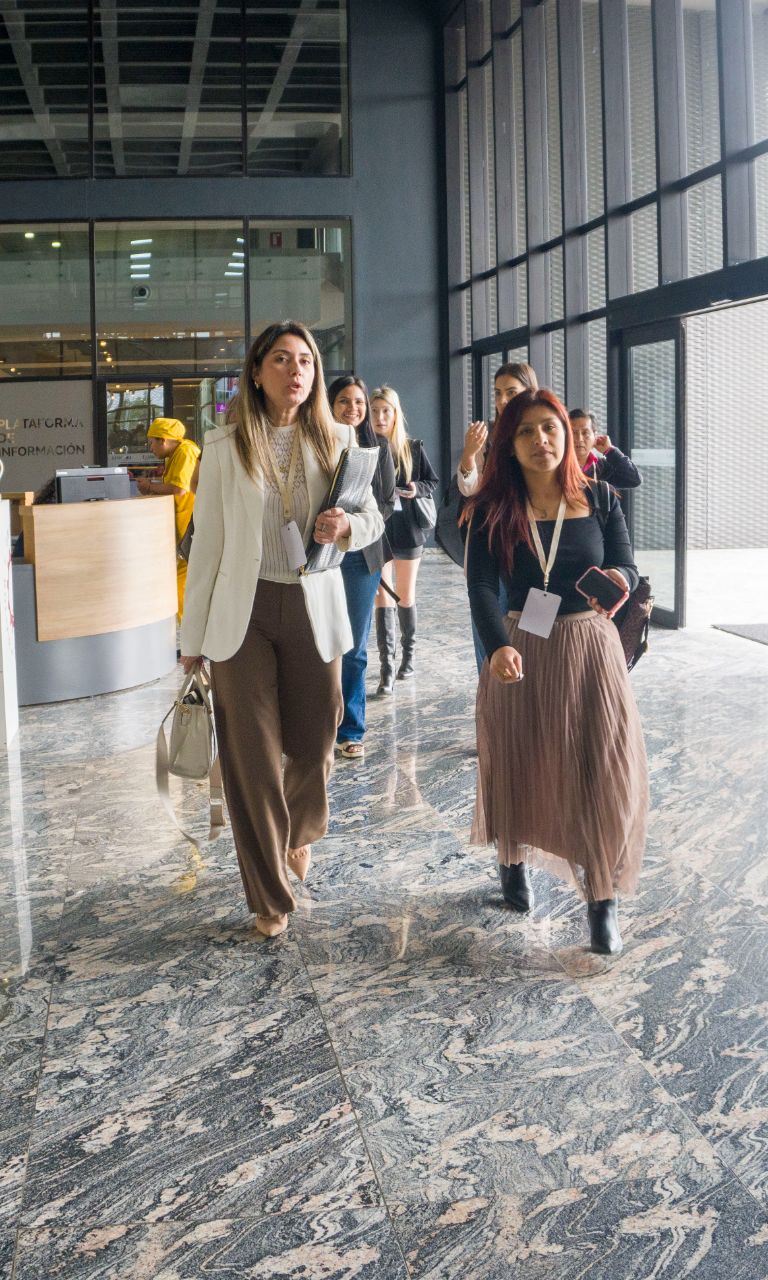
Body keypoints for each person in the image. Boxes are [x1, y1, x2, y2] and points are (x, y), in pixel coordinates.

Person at [180, 322, 383, 939]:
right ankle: (270, 895)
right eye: (281, 360)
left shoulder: (339, 439)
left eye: (305, 361)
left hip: (312, 603)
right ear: (257, 371)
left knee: (316, 739)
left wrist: (346, 529)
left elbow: (373, 518)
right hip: (241, 614)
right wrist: (192, 640)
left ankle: (299, 828)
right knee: (251, 756)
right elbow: (207, 546)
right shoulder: (224, 447)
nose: (296, 371)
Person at [465, 388, 648, 955]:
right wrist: (495, 647)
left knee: (602, 768)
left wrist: (619, 578)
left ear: (568, 436)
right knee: (521, 756)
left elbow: (627, 563)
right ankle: (512, 859)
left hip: (592, 647)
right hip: (524, 644)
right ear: (509, 445)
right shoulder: (493, 509)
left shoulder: (600, 496)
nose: (540, 439)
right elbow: (481, 585)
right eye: (526, 431)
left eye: (550, 427)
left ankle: (602, 900)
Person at [328, 375, 396, 758]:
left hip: (361, 556)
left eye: (358, 402)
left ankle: (350, 729)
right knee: (320, 643)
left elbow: (385, 503)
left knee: (353, 644)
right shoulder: (318, 443)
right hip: (321, 552)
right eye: (344, 401)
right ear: (330, 406)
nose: (352, 408)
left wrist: (351, 523)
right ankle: (319, 724)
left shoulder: (379, 447)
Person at [457, 362, 539, 673]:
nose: (503, 400)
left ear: (530, 392)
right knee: (490, 620)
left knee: (533, 635)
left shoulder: (543, 431)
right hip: (494, 541)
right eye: (498, 393)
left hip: (535, 547)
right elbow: (469, 487)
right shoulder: (489, 435)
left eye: (511, 392)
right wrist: (469, 454)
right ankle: (491, 692)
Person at [371, 385, 439, 691]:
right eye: (375, 411)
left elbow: (431, 481)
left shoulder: (412, 448)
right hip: (378, 532)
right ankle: (386, 667)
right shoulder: (364, 448)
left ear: (396, 414)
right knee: (381, 596)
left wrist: (415, 488)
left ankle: (408, 658)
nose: (380, 417)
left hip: (409, 530)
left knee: (405, 595)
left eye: (386, 411)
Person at [137, 417, 201, 620]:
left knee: (181, 582)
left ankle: (187, 626)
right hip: (184, 527)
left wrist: (149, 487)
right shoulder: (176, 454)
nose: (151, 448)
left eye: (152, 442)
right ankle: (186, 626)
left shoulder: (185, 451)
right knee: (179, 579)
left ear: (163, 440)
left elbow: (179, 489)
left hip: (191, 525)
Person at [570, 409, 642, 489]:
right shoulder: (559, 464)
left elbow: (634, 479)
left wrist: (610, 451)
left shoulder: (602, 468)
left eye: (585, 433)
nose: (579, 439)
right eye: (573, 433)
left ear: (595, 437)